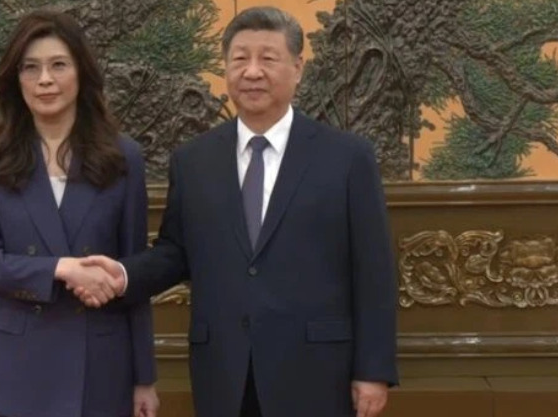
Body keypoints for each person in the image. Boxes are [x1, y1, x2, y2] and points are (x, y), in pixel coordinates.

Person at [74, 6, 398, 417]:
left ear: (298, 68)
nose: (252, 71)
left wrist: (373, 370)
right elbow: (176, 252)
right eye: (240, 58)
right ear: (226, 68)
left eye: (268, 58)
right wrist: (121, 275)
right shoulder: (193, 161)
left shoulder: (347, 158)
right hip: (225, 370)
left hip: (316, 371)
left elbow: (373, 270)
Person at [0, 10, 159, 417]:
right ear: (16, 80)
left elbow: (134, 275)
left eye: (58, 65)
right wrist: (60, 268)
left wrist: (145, 378)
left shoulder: (123, 157)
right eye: (30, 68)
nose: (45, 79)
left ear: (81, 72)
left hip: (100, 364)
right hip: (17, 365)